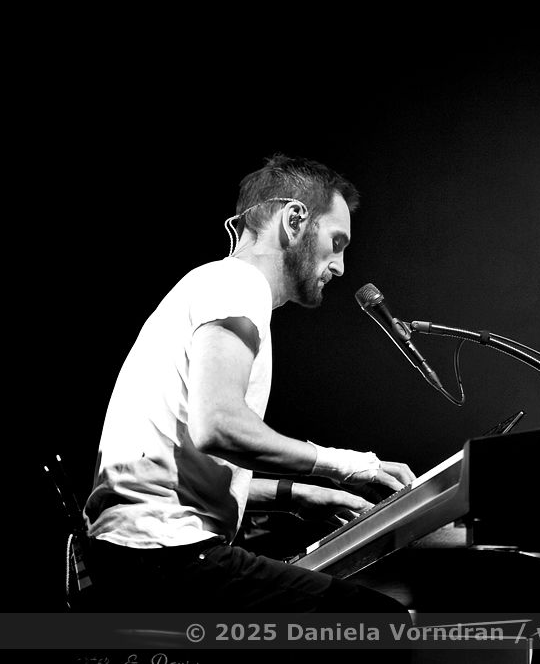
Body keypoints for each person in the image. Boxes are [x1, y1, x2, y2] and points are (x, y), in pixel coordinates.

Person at [83, 154, 416, 615]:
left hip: (135, 557)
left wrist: (298, 496)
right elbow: (219, 426)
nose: (340, 267)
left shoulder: (211, 284)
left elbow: (179, 467)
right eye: (336, 242)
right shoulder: (239, 285)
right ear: (294, 220)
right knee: (382, 623)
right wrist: (350, 465)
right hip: (164, 558)